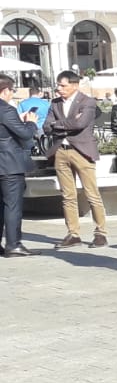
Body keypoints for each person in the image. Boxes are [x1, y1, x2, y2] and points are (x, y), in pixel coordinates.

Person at [41, 70, 108, 249]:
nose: (59, 89)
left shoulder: (87, 102)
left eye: (63, 85)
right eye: (58, 85)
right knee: (67, 195)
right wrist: (63, 124)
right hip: (60, 151)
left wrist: (58, 124)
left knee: (91, 193)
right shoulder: (55, 103)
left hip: (82, 151)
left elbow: (80, 124)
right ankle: (73, 234)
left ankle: (101, 233)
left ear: (75, 85)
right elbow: (46, 127)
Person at [0, 76, 38, 256]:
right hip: (9, 164)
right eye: (12, 90)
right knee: (12, 206)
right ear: (5, 90)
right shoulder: (6, 109)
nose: (12, 94)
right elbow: (24, 134)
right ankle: (13, 244)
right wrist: (31, 122)